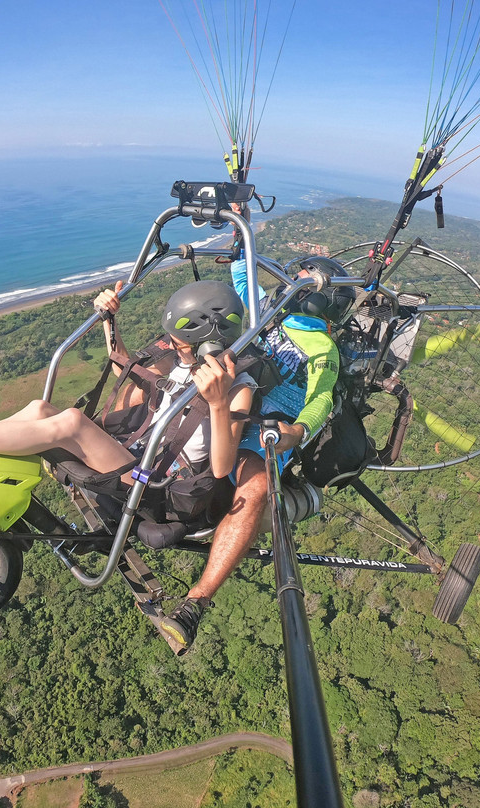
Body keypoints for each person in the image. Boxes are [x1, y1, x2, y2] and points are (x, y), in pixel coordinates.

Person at [0, 282, 256, 522]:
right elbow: (127, 375)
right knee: (40, 410)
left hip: (158, 484)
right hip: (132, 452)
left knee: (73, 422)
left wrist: (218, 403)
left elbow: (220, 468)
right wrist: (109, 322)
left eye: (183, 344)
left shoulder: (236, 385)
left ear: (211, 339)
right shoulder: (183, 360)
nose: (175, 348)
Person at [156, 255, 355, 649]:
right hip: (234, 394)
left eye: (301, 282)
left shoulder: (322, 347)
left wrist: (297, 432)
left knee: (257, 485)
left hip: (266, 424)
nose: (291, 285)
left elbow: (321, 400)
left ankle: (196, 601)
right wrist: (237, 225)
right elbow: (243, 278)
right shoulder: (274, 310)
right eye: (293, 279)